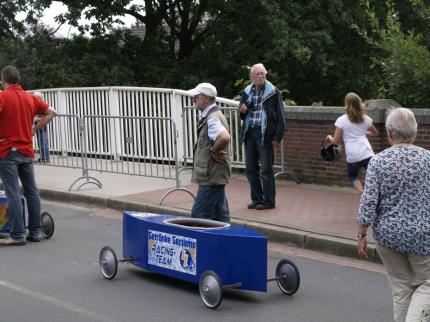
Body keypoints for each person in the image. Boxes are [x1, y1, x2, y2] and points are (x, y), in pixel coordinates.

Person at [357, 107, 430, 322]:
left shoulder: (378, 162)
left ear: (389, 133)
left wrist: (361, 235)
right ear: (415, 132)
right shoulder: (428, 159)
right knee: (427, 284)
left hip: (388, 238)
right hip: (423, 236)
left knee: (401, 290)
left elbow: (368, 201)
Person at [0, 66, 57, 245]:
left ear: (3, 80)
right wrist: (33, 129)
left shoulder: (2, 97)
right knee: (32, 191)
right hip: (27, 150)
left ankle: (17, 235)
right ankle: (36, 231)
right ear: (18, 80)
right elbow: (51, 113)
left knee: (13, 192)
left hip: (7, 150)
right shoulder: (30, 98)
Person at [239, 63, 285, 210]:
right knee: (251, 169)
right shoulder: (247, 92)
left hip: (264, 134)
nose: (260, 76)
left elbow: (280, 116)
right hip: (249, 133)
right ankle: (257, 199)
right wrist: (243, 110)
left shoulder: (273, 92)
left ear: (266, 75)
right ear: (251, 76)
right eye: (257, 74)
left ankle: (269, 201)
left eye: (262, 74)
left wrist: (277, 137)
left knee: (266, 169)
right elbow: (241, 113)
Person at [187, 82, 231, 223]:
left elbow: (224, 137)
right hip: (214, 175)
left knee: (198, 217)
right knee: (219, 216)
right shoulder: (213, 115)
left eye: (196, 97)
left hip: (210, 176)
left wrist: (214, 150)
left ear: (205, 98)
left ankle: (202, 244)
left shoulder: (212, 118)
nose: (193, 100)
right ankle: (225, 243)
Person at [326, 92, 378, 193]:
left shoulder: (341, 120)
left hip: (353, 154)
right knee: (373, 176)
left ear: (347, 104)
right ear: (359, 103)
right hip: (367, 152)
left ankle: (363, 195)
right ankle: (373, 195)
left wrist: (329, 137)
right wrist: (364, 133)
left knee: (352, 176)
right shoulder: (366, 119)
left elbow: (335, 141)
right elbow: (375, 133)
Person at [33, 91, 51, 163]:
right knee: (41, 142)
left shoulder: (42, 106)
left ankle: (45, 157)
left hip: (42, 126)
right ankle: (44, 157)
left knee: (43, 141)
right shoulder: (38, 105)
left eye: (35, 97)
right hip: (39, 126)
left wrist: (36, 119)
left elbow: (45, 115)